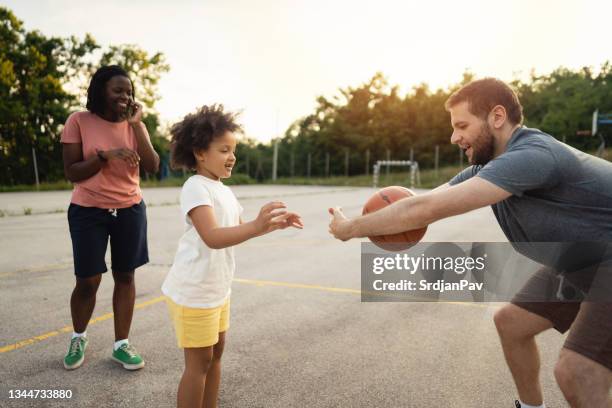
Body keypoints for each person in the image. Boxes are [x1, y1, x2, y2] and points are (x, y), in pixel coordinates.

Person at [328, 78, 612, 407]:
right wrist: (373, 220)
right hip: (584, 258)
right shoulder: (488, 167)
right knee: (511, 323)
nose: (454, 137)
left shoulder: (532, 155)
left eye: (462, 125)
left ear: (497, 117)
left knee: (577, 371)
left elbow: (423, 209)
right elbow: (425, 204)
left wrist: (352, 228)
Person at [161, 104, 303, 408]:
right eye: (224, 150)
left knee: (214, 358)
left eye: (233, 150)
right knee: (198, 364)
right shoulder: (195, 187)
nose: (232, 156)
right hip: (194, 292)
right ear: (200, 152)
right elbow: (212, 237)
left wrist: (270, 225)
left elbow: (238, 230)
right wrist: (255, 225)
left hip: (217, 289)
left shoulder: (223, 189)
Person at [61, 65, 159, 370]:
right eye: (118, 90)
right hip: (88, 210)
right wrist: (105, 156)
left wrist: (138, 127)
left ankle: (121, 345)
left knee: (126, 276)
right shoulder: (79, 120)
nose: (124, 96)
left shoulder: (133, 125)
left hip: (129, 209)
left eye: (128, 91)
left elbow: (153, 166)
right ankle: (79, 337)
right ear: (101, 90)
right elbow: (72, 172)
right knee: (88, 280)